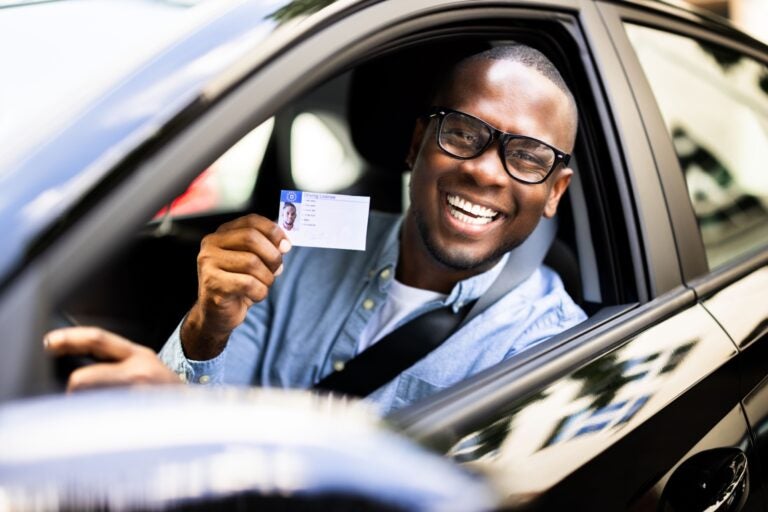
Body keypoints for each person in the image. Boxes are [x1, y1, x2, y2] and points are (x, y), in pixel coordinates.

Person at [45, 44, 586, 413]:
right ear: (417, 143)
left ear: (554, 193)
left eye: (528, 156)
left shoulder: (550, 346)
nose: (485, 171)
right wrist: (206, 329)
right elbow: (196, 425)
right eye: (463, 133)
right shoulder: (295, 245)